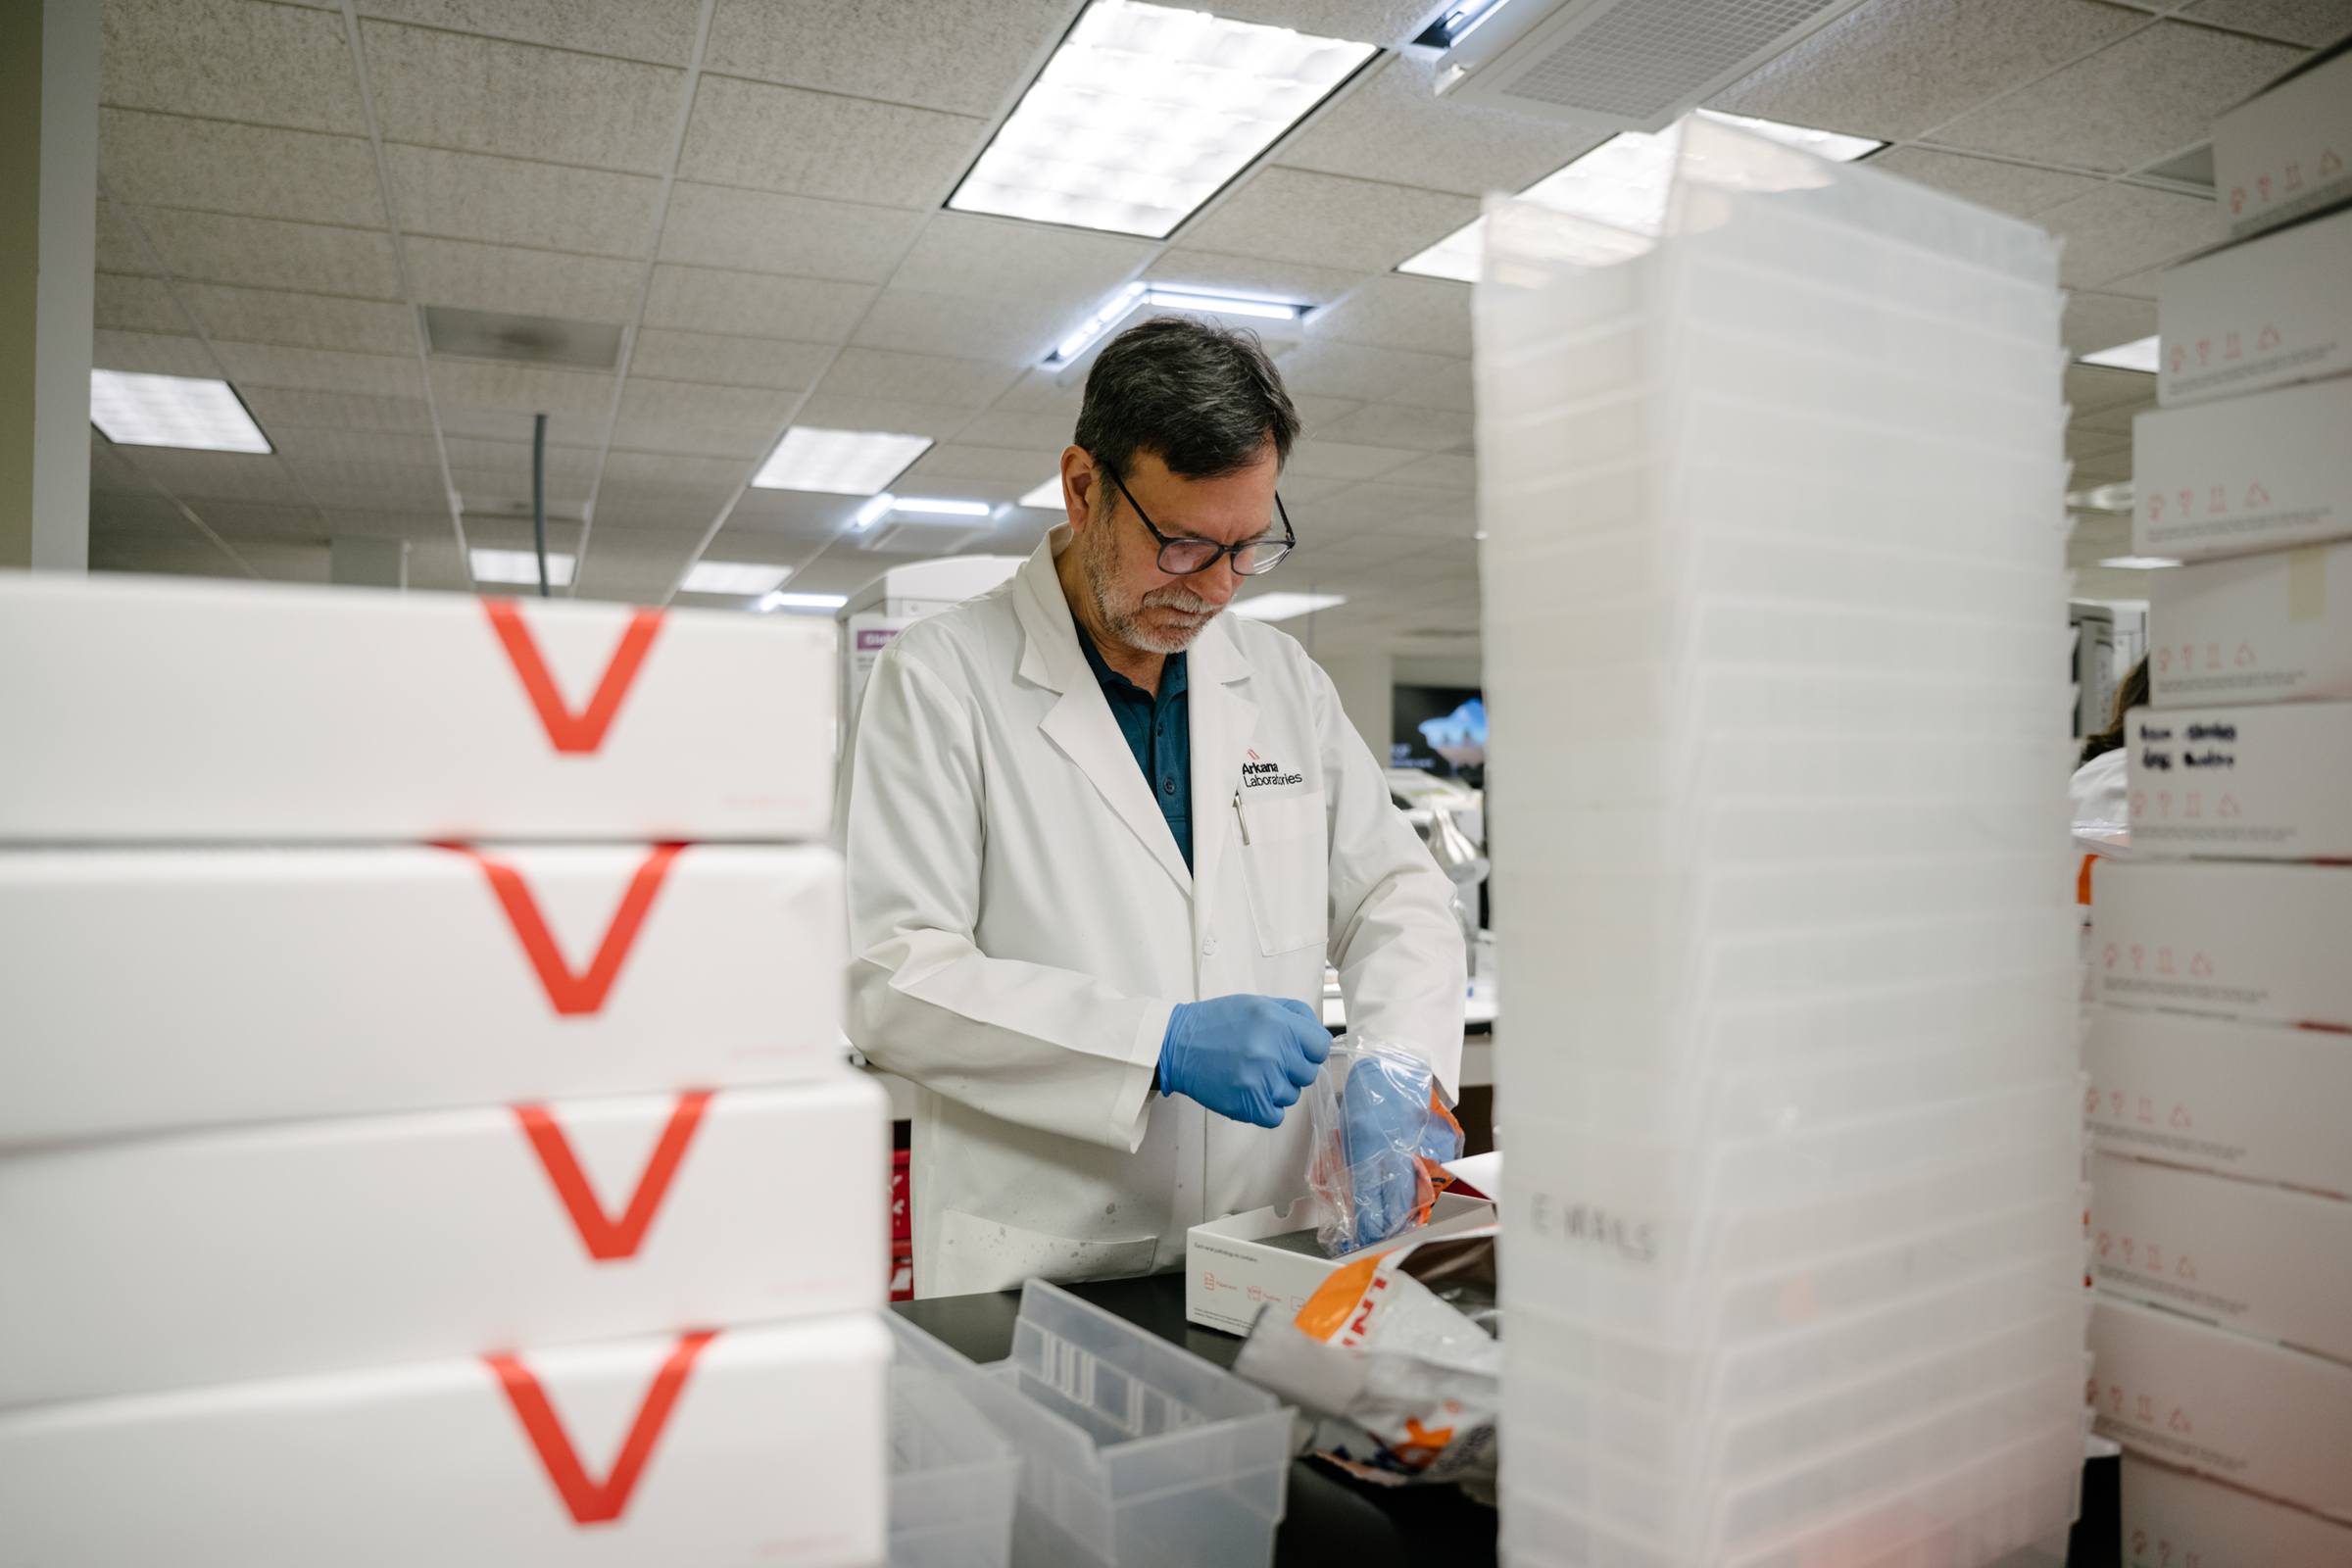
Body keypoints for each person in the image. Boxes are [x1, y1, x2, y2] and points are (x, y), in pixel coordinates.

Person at [839, 317, 1468, 1297]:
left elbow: (1394, 891)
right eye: (1181, 545)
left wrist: (1397, 1061)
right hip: (1043, 1262)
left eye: (1246, 548)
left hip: (1270, 1245)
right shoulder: (941, 680)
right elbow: (893, 978)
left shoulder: (1279, 679)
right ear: (1085, 488)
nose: (1215, 588)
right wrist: (1155, 1044)